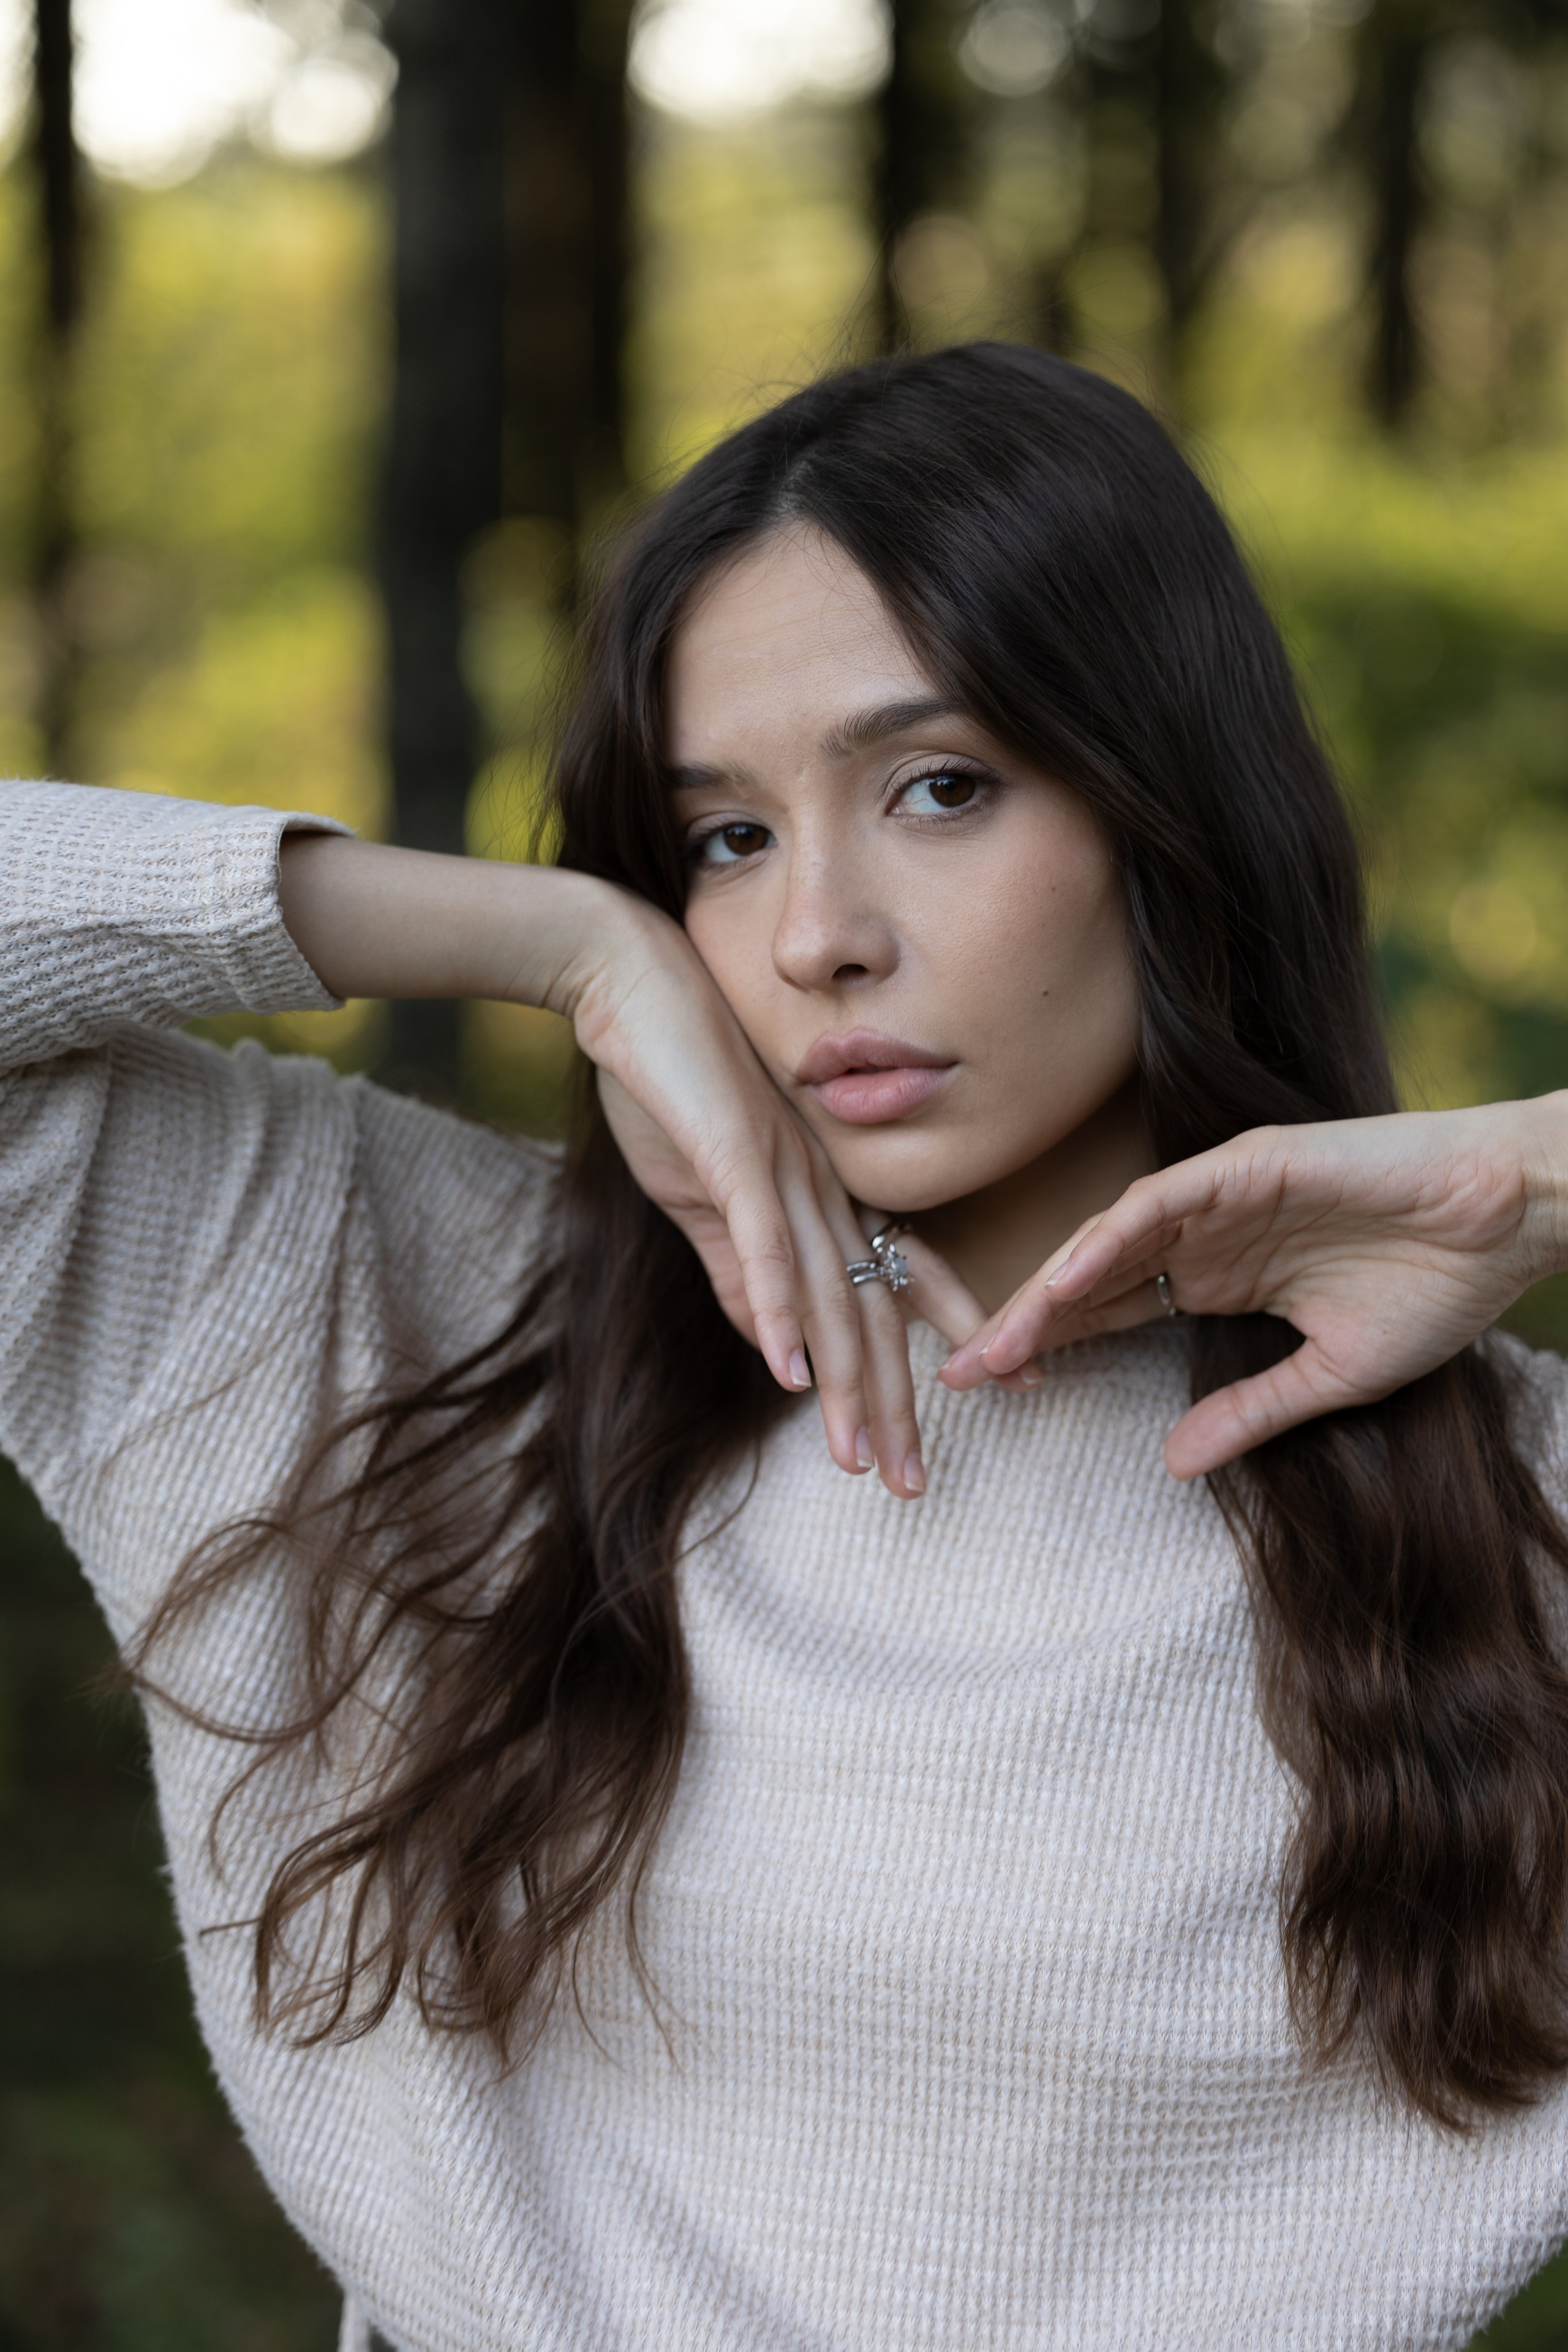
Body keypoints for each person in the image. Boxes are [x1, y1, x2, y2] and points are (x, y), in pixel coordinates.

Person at [4, 342, 1568, 2352]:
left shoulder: (1514, 1518)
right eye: (723, 841)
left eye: (940, 788)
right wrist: (560, 944)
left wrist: (1527, 1179)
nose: (817, 932)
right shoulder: (390, 1312)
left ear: (1175, 808)